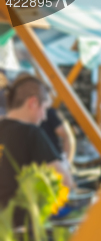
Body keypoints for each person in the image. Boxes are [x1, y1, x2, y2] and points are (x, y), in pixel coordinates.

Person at [0, 75, 73, 226]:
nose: (45, 117)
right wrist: (65, 165)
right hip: (19, 230)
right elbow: (66, 182)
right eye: (45, 108)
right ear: (33, 102)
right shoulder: (31, 133)